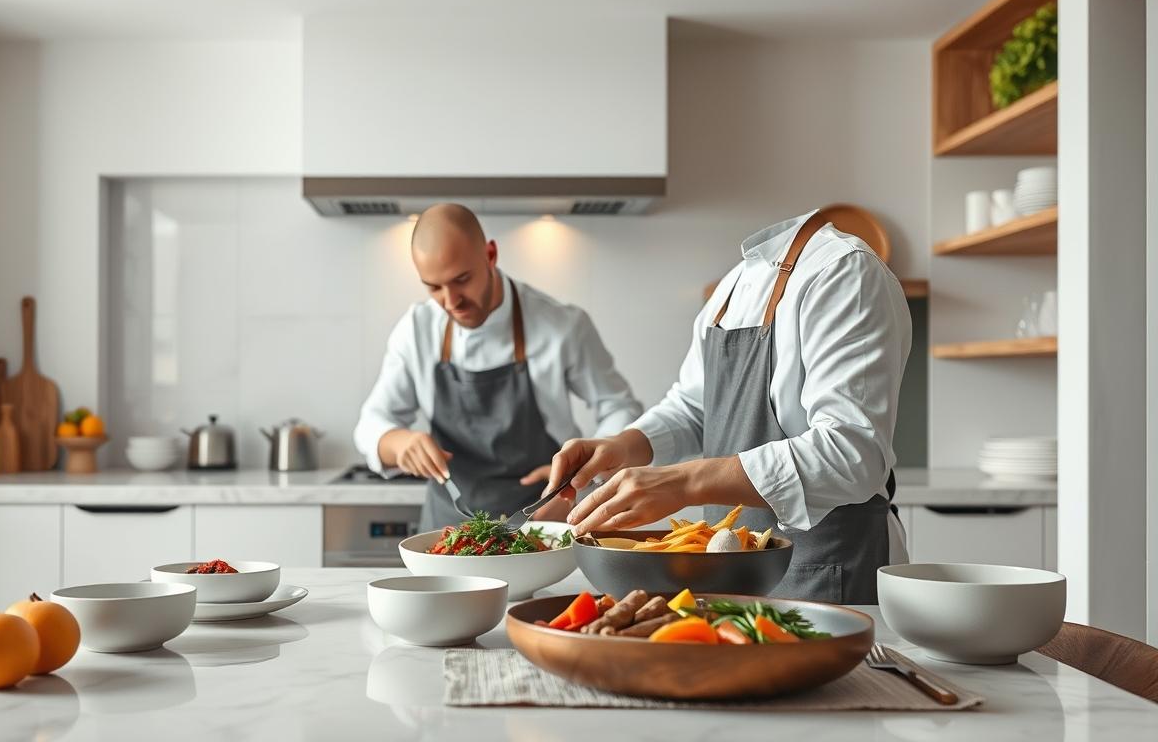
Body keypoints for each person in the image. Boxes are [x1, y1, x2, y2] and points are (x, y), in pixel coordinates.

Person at [536, 209, 911, 604]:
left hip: (827, 577)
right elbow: (694, 406)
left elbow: (852, 453)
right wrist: (624, 445)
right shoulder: (734, 286)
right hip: (727, 577)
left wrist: (682, 482)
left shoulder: (844, 273)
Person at [354, 203, 643, 530]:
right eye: (434, 287)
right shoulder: (417, 328)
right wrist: (400, 442)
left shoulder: (562, 326)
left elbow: (620, 409)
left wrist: (583, 478)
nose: (451, 302)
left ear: (490, 254)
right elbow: (370, 425)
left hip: (543, 526)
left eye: (462, 279)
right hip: (448, 533)